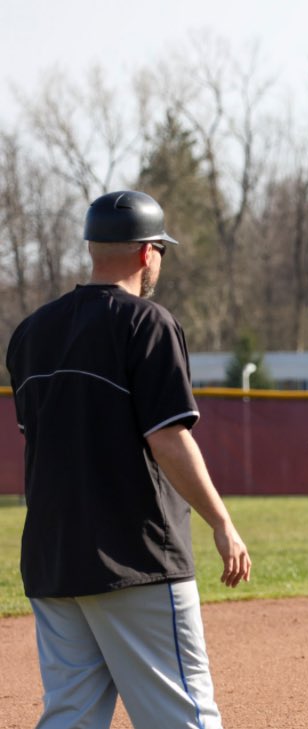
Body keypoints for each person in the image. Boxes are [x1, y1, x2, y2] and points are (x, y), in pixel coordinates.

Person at [6, 190, 251, 729]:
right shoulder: (147, 323)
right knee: (182, 715)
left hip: (53, 560)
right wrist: (222, 521)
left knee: (71, 716)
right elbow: (168, 439)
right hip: (136, 560)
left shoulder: (30, 333)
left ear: (94, 249)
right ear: (148, 252)